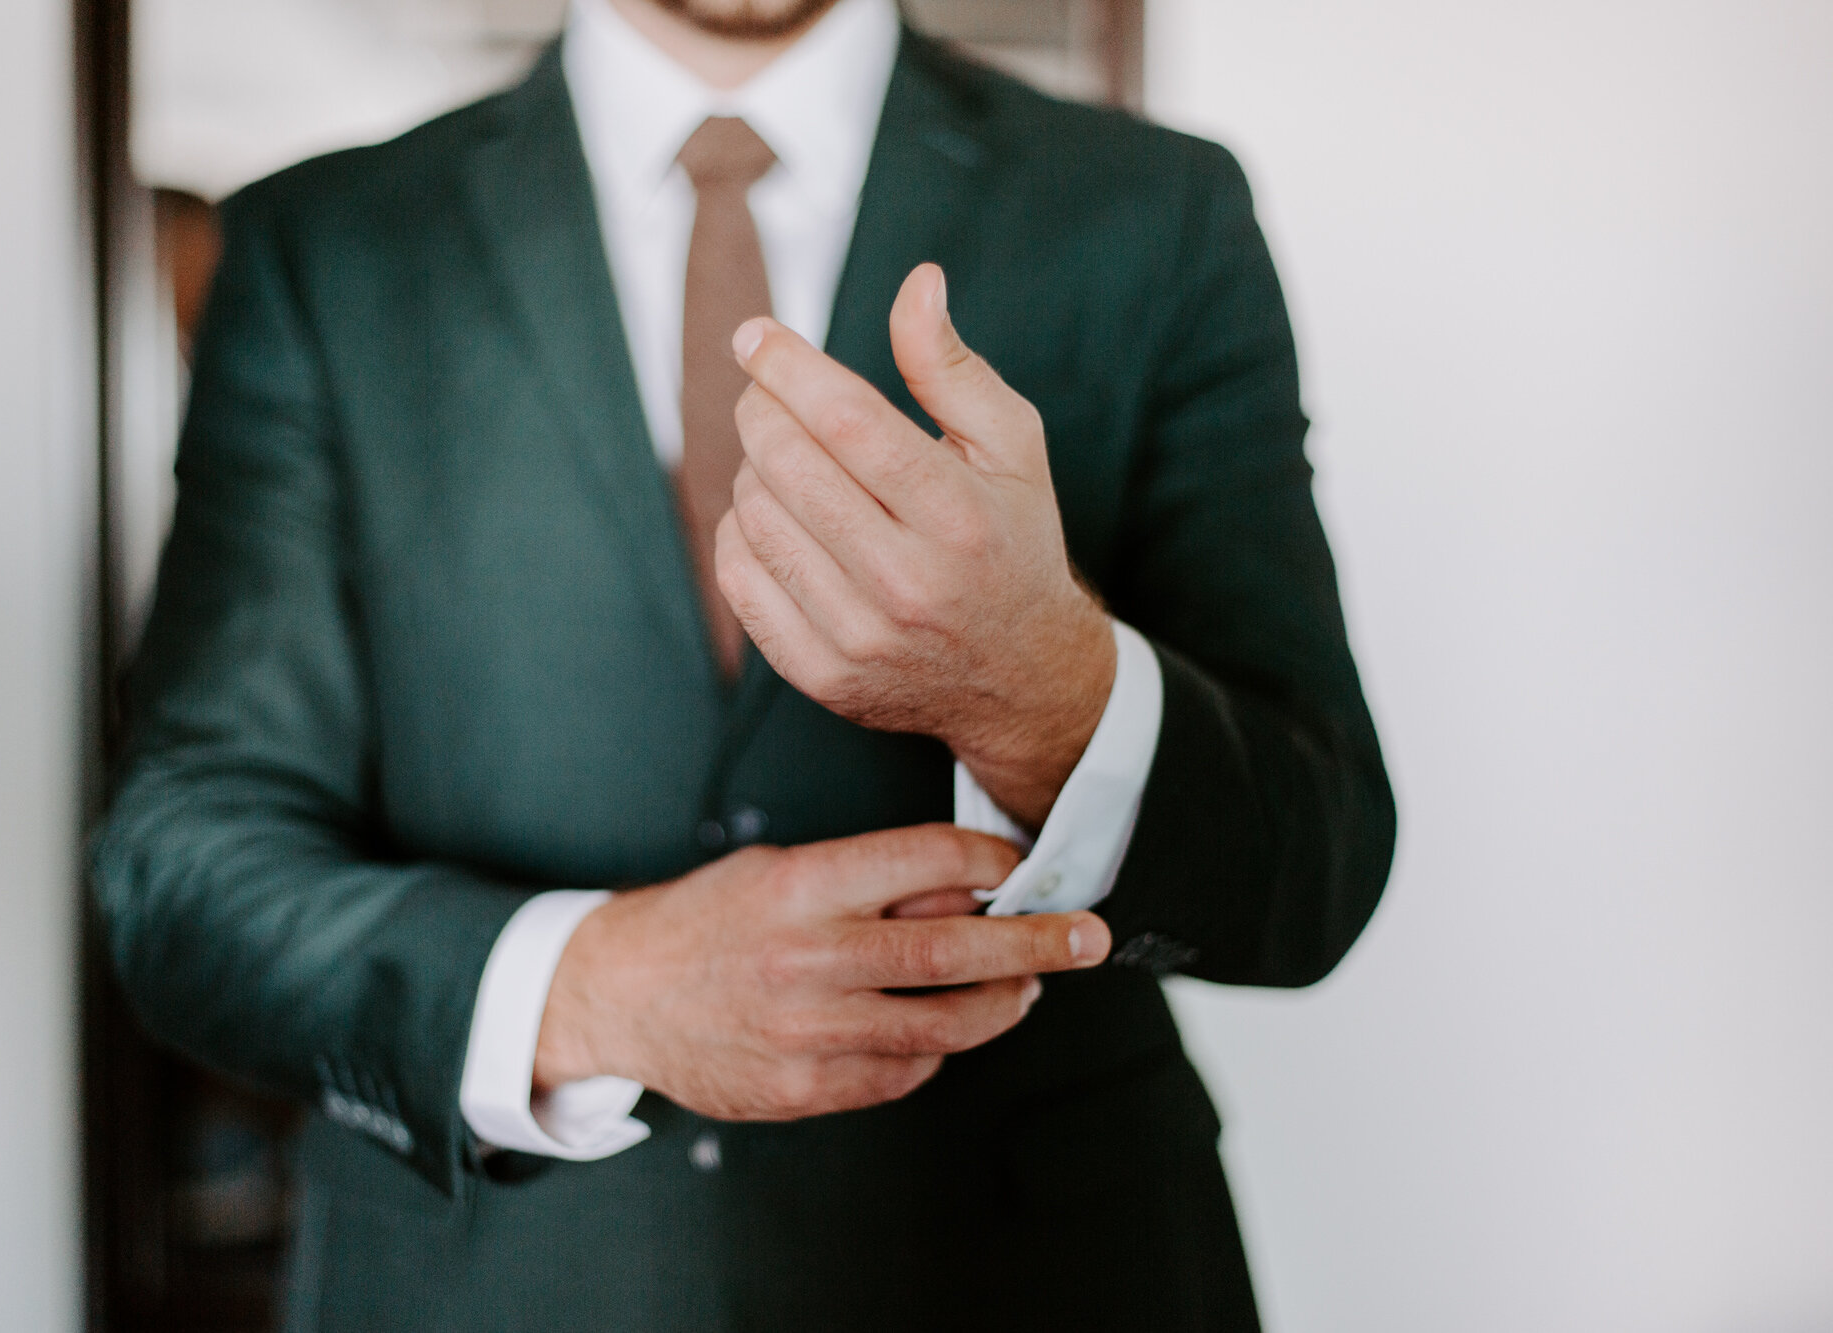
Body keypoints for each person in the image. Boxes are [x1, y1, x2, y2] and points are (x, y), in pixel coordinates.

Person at [94, 0, 1395, 1323]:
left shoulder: (1157, 212)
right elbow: (184, 866)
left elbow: (1323, 853)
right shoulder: (326, 246)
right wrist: (593, 986)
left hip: (1042, 1273)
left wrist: (1049, 691)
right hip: (484, 1282)